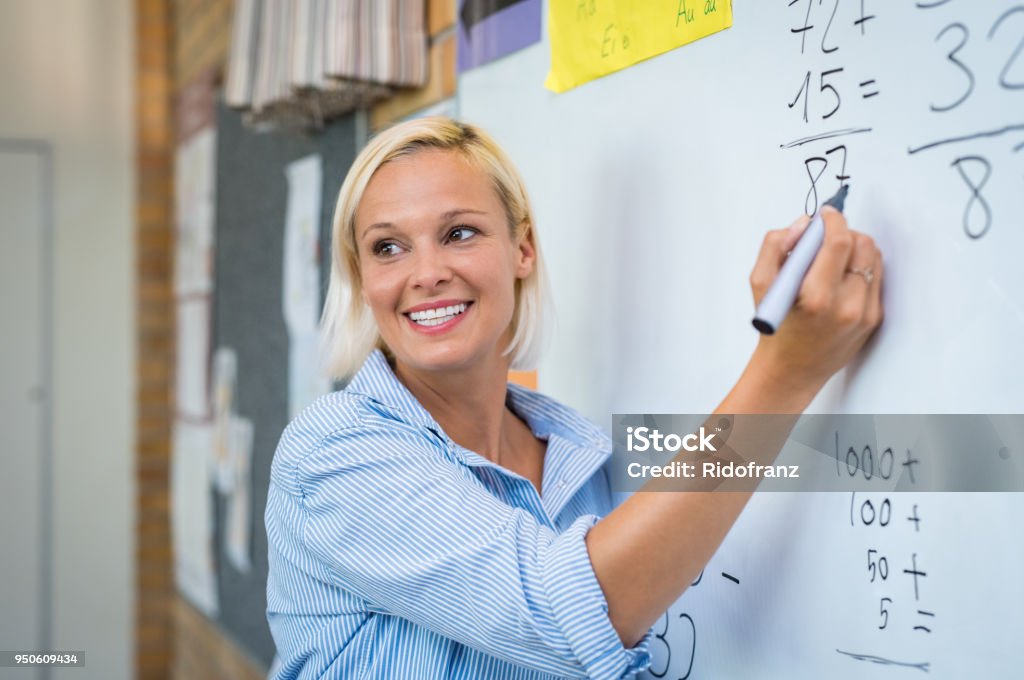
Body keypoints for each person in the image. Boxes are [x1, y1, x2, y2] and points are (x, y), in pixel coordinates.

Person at [265, 117, 883, 679]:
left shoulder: (579, 451)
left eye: (458, 233)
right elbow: (573, 619)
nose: (425, 273)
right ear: (362, 278)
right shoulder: (333, 451)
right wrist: (786, 372)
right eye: (388, 248)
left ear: (523, 251)